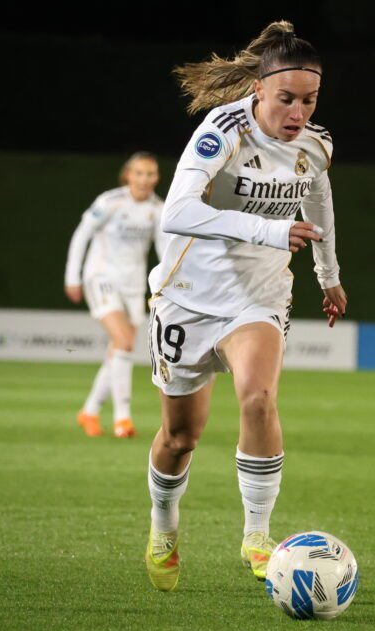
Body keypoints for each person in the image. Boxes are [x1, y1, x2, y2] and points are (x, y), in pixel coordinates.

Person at [141, 20, 347, 592]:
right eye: (286, 99)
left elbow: (319, 199)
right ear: (257, 89)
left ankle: (258, 536)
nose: (298, 112)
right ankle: (164, 525)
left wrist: (327, 275)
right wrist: (267, 231)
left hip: (258, 296)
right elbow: (176, 212)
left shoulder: (315, 143)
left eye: (309, 100)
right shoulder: (222, 131)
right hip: (188, 298)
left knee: (258, 397)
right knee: (181, 436)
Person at [65, 152, 166, 438]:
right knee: (123, 341)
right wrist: (72, 277)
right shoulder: (109, 202)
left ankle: (90, 411)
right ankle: (123, 418)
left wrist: (164, 286)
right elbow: (81, 235)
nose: (145, 179)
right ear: (128, 175)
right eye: (139, 173)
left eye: (150, 174)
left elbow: (163, 250)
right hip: (101, 278)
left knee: (119, 349)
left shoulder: (158, 209)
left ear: (156, 178)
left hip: (134, 287)